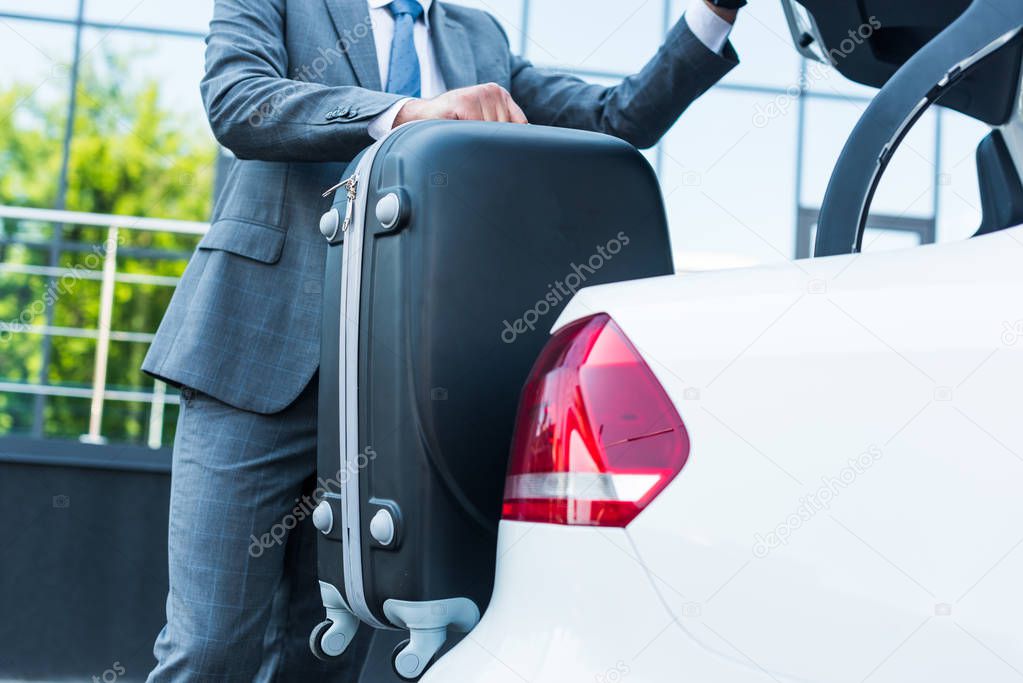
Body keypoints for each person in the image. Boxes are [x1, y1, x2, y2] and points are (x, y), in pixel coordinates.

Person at [143, 0, 741, 679]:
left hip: (385, 396)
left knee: (325, 656)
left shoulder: (476, 37)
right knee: (211, 644)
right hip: (255, 363)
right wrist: (406, 115)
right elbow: (238, 101)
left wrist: (715, 12)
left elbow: (614, 120)